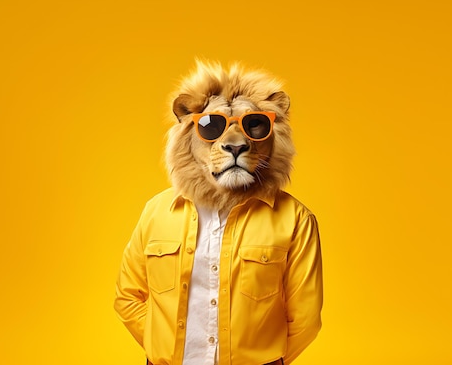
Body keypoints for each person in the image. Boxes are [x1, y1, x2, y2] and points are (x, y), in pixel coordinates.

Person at [114, 61, 323, 365]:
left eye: (254, 125)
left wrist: (266, 360)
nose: (235, 142)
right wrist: (165, 347)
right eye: (211, 126)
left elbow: (306, 318)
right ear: (186, 134)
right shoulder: (156, 212)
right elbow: (127, 296)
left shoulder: (295, 220)